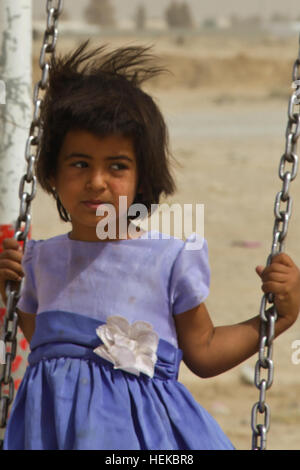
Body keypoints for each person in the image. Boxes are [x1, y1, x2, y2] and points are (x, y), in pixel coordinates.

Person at [0, 41, 299, 450]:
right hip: (53, 431)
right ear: (51, 173)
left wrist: (277, 319)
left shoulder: (167, 259)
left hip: (141, 440)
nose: (97, 181)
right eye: (80, 163)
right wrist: (10, 292)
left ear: (143, 179)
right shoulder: (38, 261)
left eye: (117, 166)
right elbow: (49, 351)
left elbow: (205, 351)